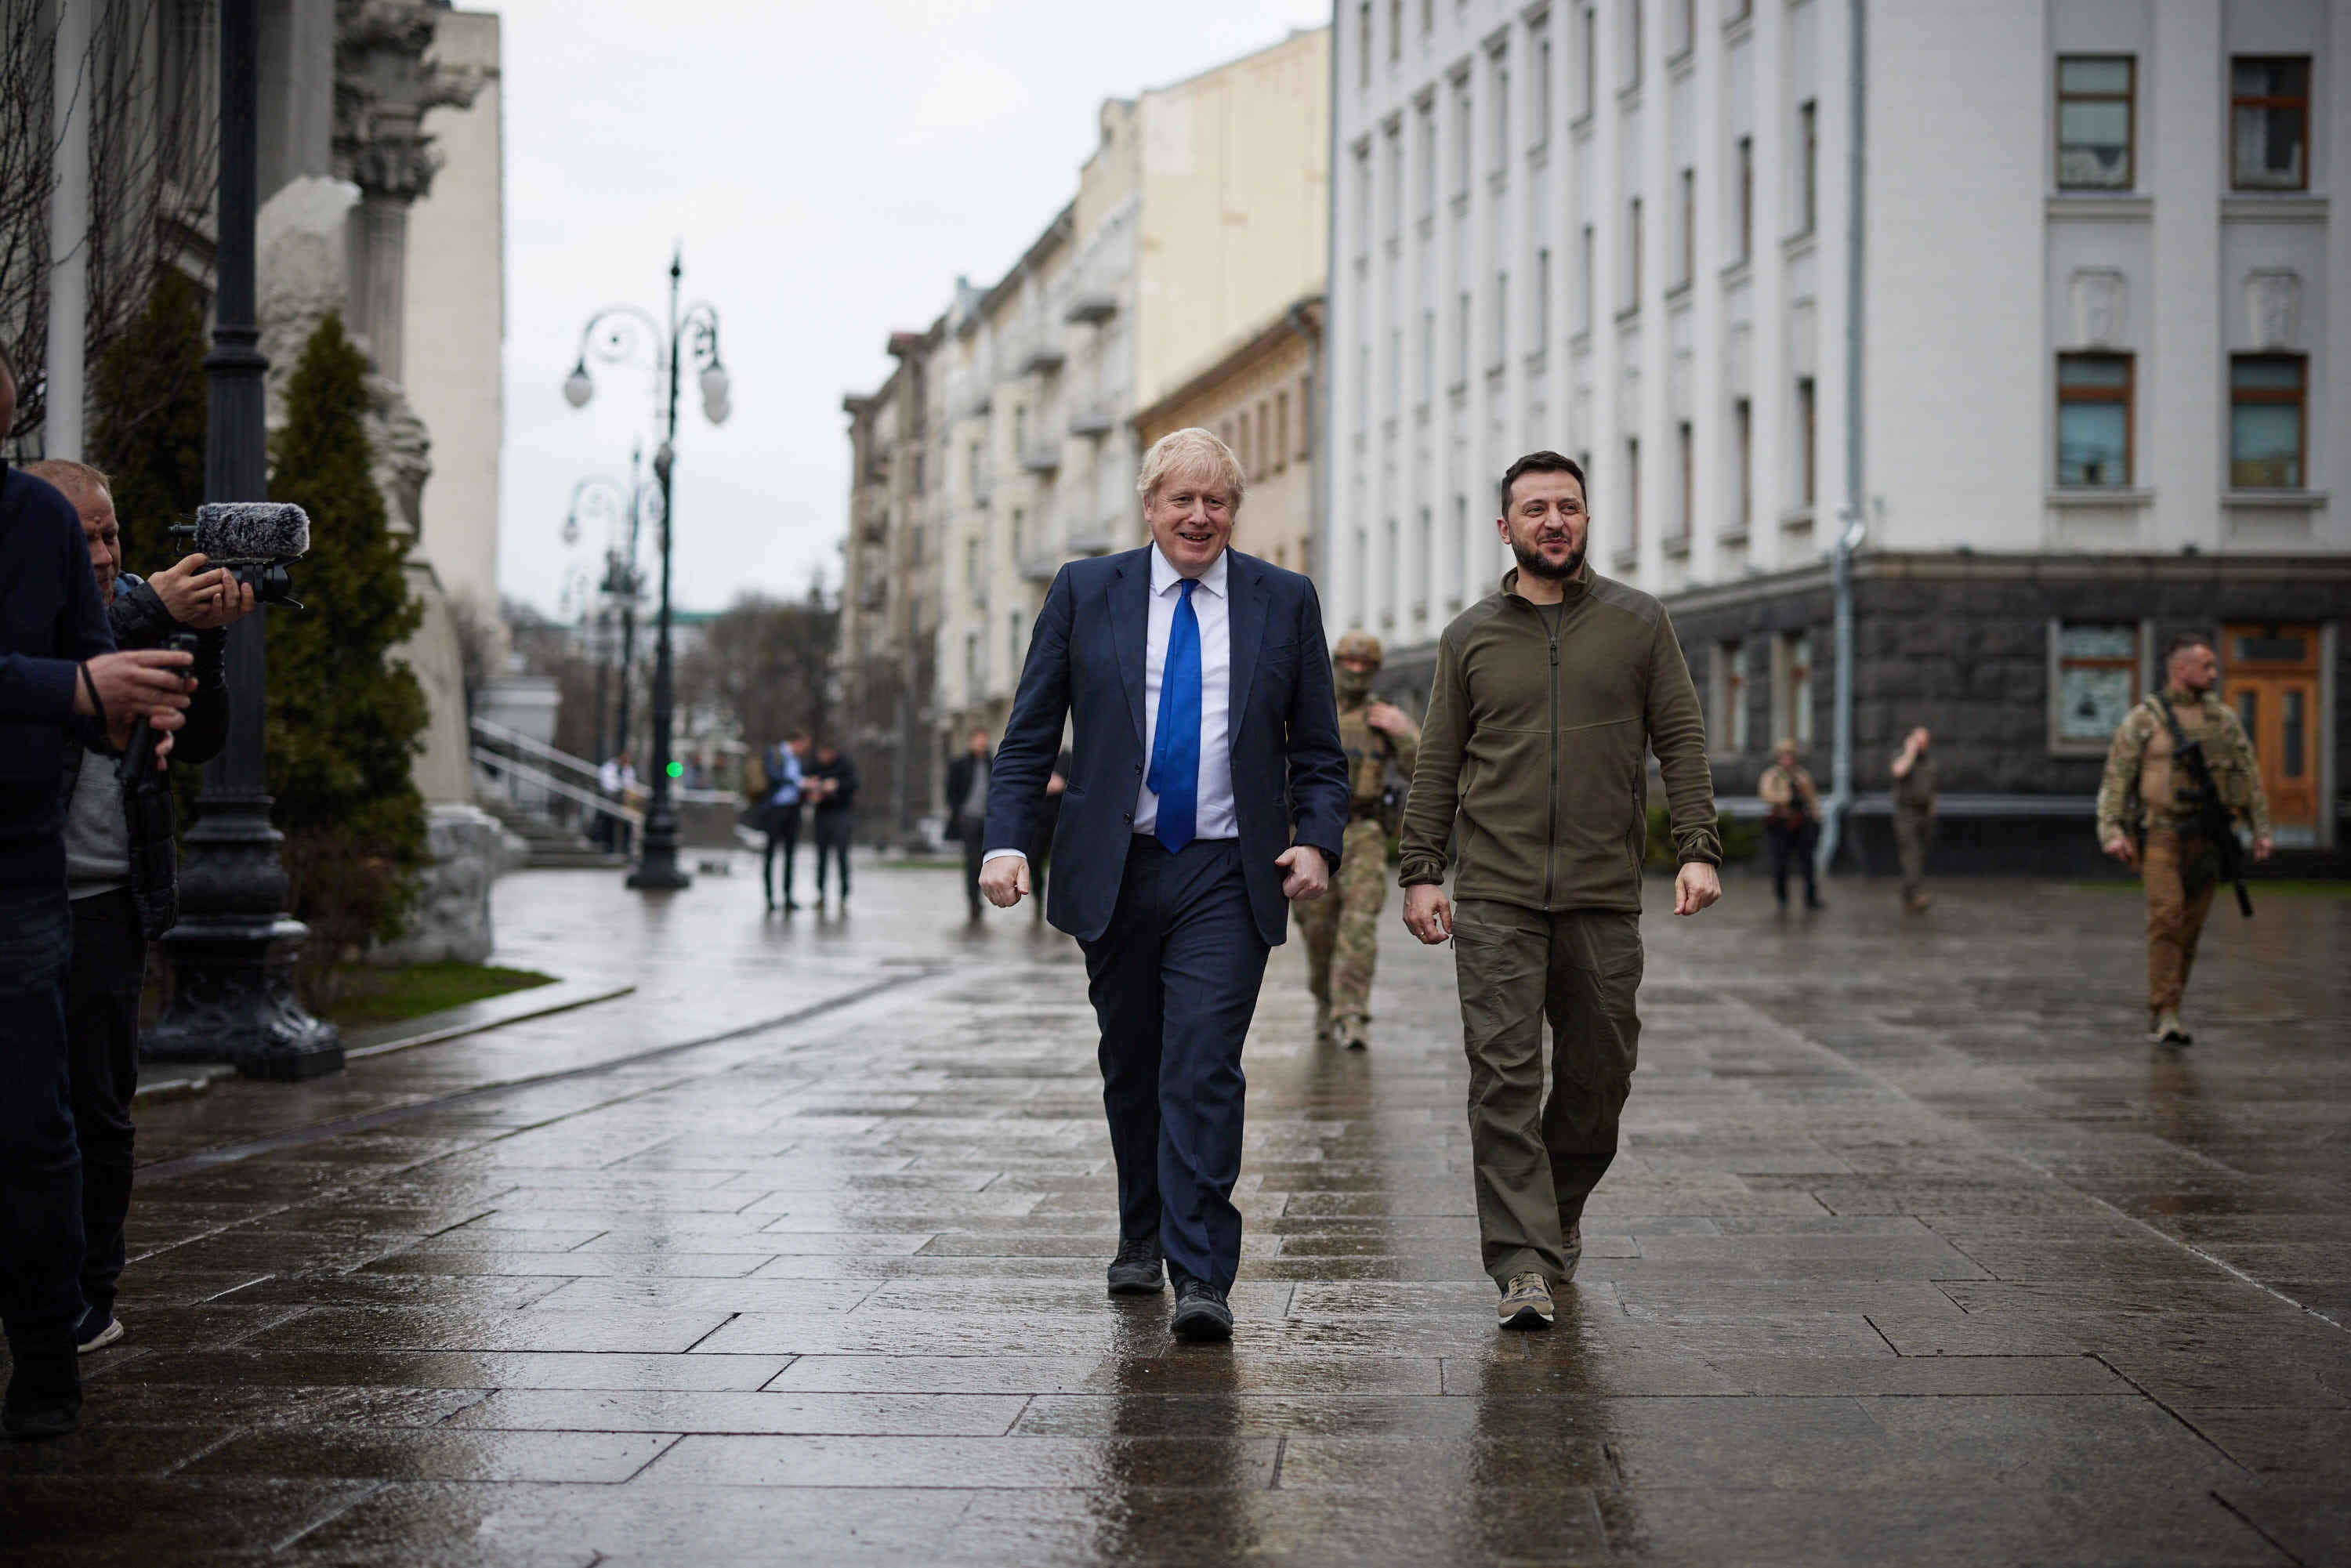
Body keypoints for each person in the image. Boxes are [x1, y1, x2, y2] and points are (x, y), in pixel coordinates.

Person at [977, 427, 1346, 1342]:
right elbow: (1029, 736)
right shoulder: (1085, 591)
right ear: (1149, 507)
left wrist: (1319, 841)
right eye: (1181, 499)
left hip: (1228, 869)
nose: (1198, 515)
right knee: (1134, 1065)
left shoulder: (1283, 599)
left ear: (1233, 511)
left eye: (1215, 500)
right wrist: (1005, 844)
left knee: (1202, 1067)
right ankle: (1140, 1230)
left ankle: (1203, 1275)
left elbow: (1322, 753)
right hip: (1118, 865)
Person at [1401, 451, 1720, 1333]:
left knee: (1598, 1078)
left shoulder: (1638, 623)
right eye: (1535, 508)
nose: (1554, 521)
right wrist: (1422, 869)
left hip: (1602, 892)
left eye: (1569, 507)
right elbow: (1436, 762)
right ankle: (1522, 1263)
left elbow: (1683, 742)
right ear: (1505, 528)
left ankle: (1558, 1208)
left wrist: (1698, 848)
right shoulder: (1470, 636)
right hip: (1498, 893)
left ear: (1586, 520)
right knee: (1502, 1079)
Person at [0, 343, 194, 1439]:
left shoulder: (31, 522)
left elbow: (90, 659)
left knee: (46, 1124)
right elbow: (77, 666)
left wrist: (135, 711)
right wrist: (79, 684)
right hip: (43, 871)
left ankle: (53, 1346)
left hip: (26, 865)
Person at [27, 460, 248, 1358]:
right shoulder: (29, 617)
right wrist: (154, 611)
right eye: (82, 535)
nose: (104, 550)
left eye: (111, 531)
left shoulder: (134, 608)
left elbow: (199, 738)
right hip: (27, 896)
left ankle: (91, 1293)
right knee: (30, 1112)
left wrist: (208, 642)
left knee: (102, 1107)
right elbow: (60, 673)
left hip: (111, 897)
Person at [2097, 635, 2272, 1046]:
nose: (2214, 674)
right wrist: (2111, 829)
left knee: (2190, 930)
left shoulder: (2223, 721)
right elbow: (2117, 776)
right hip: (2160, 834)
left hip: (2208, 839)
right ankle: (2166, 1013)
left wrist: (2260, 828)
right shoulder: (2144, 720)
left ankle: (2168, 1005)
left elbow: (2248, 775)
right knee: (2167, 918)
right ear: (2181, 670)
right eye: (2207, 666)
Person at [1295, 629, 1418, 1051]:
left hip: (1363, 832)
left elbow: (1428, 770)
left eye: (1366, 666)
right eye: (1350, 662)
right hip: (1311, 834)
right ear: (1335, 662)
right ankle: (1325, 999)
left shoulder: (1382, 718)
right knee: (1318, 929)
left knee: (1359, 927)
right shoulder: (1311, 711)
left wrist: (1403, 731)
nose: (1357, 671)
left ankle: (1351, 1014)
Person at [1759, 738, 1826, 911]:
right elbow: (1767, 796)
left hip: (1800, 822)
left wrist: (1816, 816)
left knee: (1807, 862)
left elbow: (1811, 797)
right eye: (1784, 756)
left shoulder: (1801, 776)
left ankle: (1811, 898)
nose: (1787, 760)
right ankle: (1782, 899)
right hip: (1781, 822)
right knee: (1780, 863)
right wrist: (1787, 798)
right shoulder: (1772, 776)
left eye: (1790, 756)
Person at [945, 728, 992, 923]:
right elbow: (950, 791)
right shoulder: (960, 764)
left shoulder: (993, 762)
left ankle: (981, 899)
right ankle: (974, 902)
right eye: (978, 740)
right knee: (972, 863)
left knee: (986, 862)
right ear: (971, 742)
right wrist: (958, 814)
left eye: (984, 740)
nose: (981, 744)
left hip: (989, 820)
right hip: (969, 818)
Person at [760, 730, 810, 912]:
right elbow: (772, 776)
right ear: (797, 741)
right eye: (804, 744)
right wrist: (797, 783)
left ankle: (788, 896)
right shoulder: (774, 754)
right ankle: (769, 897)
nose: (805, 749)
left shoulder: (797, 760)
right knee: (770, 853)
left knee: (790, 854)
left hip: (793, 809)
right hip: (776, 809)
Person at [806, 740, 860, 907]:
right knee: (821, 856)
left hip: (841, 814)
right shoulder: (814, 766)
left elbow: (854, 783)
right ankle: (821, 893)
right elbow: (805, 782)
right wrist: (813, 791)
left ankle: (844, 893)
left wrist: (836, 785)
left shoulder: (845, 765)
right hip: (822, 814)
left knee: (842, 855)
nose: (823, 758)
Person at [1890, 726, 1936, 913]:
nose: (1923, 745)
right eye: (1919, 741)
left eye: (1925, 742)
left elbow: (1932, 790)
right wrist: (1910, 752)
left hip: (1924, 814)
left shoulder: (1930, 763)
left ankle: (1908, 892)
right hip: (1906, 814)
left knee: (1920, 854)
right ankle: (1916, 894)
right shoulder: (1903, 758)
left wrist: (1933, 812)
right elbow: (1899, 771)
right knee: (1912, 854)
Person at [1025, 749, 1074, 925]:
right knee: (1034, 862)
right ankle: (1038, 900)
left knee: (1060, 863)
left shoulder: (1068, 758)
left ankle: (1060, 904)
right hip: (1037, 821)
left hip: (1061, 819)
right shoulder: (1035, 755)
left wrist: (1060, 784)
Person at [598, 748, 637, 856]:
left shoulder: (628, 769)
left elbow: (630, 784)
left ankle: (625, 847)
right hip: (611, 799)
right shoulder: (609, 767)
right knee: (609, 823)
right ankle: (608, 846)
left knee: (627, 824)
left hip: (624, 802)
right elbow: (607, 784)